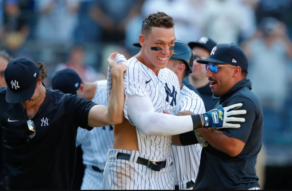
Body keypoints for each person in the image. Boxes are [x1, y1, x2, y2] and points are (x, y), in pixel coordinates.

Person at [103, 12, 247, 190]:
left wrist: (201, 133)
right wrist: (205, 120)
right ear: (142, 40)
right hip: (131, 169)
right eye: (159, 44)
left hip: (165, 173)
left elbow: (168, 133)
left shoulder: (169, 79)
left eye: (171, 45)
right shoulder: (130, 68)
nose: (165, 51)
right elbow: (147, 124)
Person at [0, 54, 125, 189]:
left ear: (39, 80)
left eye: (26, 92)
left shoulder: (65, 105)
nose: (23, 100)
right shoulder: (1, 100)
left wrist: (117, 77)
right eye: (17, 95)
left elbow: (112, 116)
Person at [177, 43, 263, 190]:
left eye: (215, 68)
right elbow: (183, 139)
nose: (208, 74)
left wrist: (198, 122)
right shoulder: (226, 99)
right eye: (208, 67)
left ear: (235, 71)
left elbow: (232, 146)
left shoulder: (243, 100)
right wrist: (168, 122)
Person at [51, 69, 113, 190]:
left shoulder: (110, 91)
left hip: (120, 172)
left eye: (71, 99)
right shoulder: (63, 111)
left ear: (81, 88)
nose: (69, 105)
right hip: (92, 174)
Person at [166, 40, 205, 190]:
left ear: (179, 68)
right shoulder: (154, 91)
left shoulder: (190, 97)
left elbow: (184, 119)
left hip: (188, 185)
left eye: (165, 61)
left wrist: (161, 119)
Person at [184, 36, 218, 111]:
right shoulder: (175, 85)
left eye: (202, 59)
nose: (195, 62)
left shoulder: (217, 99)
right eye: (193, 56)